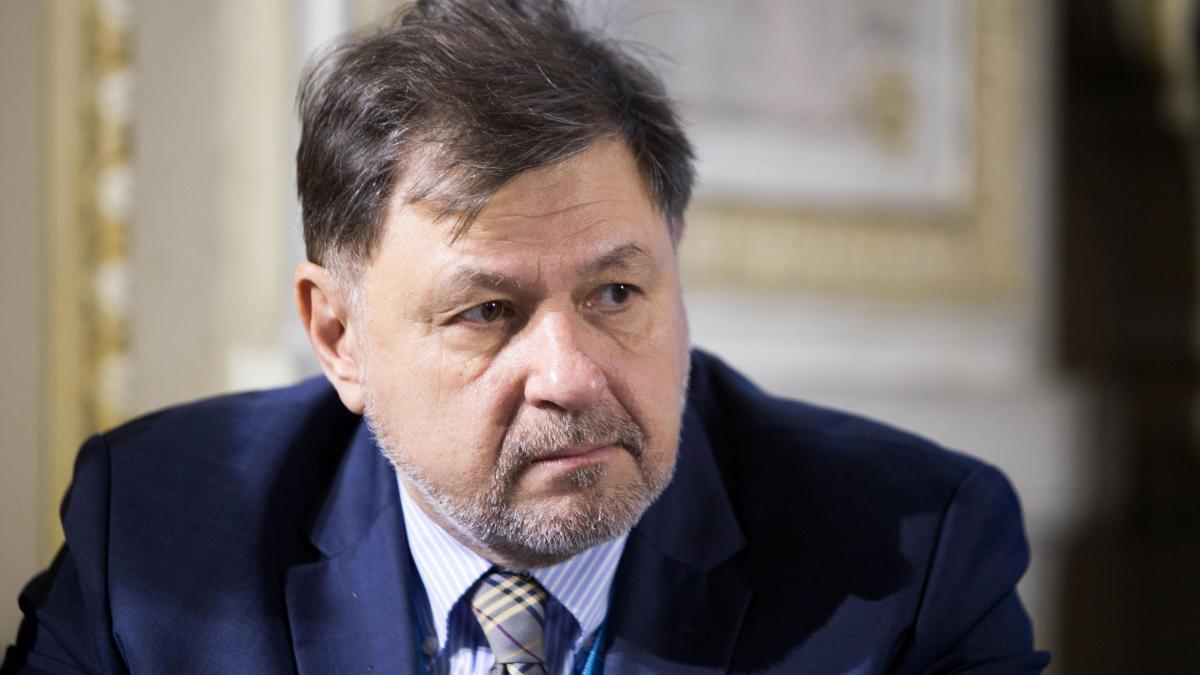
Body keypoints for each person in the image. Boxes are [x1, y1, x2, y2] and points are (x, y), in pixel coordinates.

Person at [3, 1, 1049, 673]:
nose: (571, 375)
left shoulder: (908, 562)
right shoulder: (155, 540)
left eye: (616, 293)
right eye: (487, 312)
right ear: (339, 335)